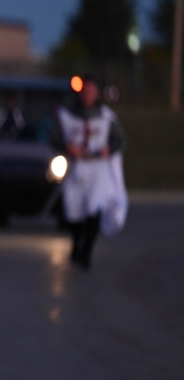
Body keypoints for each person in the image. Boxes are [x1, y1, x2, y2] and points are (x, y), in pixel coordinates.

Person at [51, 76, 127, 269]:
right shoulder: (66, 115)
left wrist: (108, 149)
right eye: (85, 91)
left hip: (98, 167)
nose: (88, 95)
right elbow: (54, 138)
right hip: (76, 166)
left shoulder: (105, 116)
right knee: (74, 210)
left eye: (92, 91)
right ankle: (76, 244)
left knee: (95, 208)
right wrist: (68, 148)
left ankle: (86, 253)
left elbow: (119, 140)